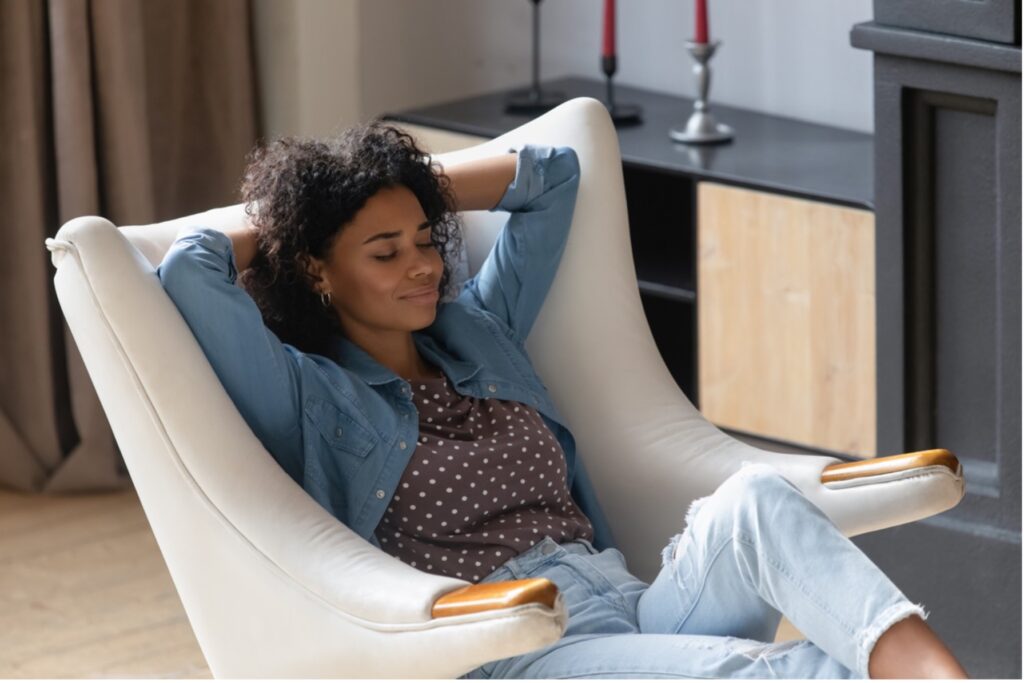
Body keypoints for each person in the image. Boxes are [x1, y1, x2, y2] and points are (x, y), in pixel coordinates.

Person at [157, 122, 968, 679]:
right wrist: (302, 221)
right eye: (384, 251)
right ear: (318, 272)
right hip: (516, 644)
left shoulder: (479, 331)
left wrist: (403, 187)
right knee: (763, 670)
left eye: (424, 240)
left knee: (756, 499)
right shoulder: (311, 394)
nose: (424, 266)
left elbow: (552, 176)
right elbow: (187, 271)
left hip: (630, 602)